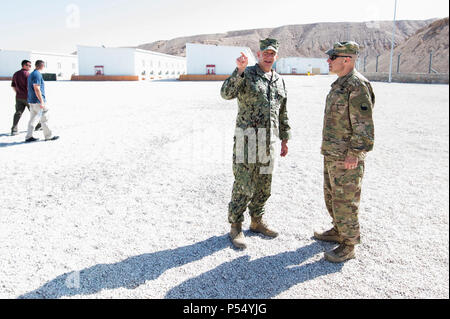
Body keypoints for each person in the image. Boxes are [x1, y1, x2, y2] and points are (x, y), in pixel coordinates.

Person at [220, 38, 291, 249]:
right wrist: (238, 71)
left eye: (272, 54)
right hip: (248, 139)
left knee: (263, 185)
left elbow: (283, 111)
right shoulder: (247, 73)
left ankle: (257, 221)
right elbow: (226, 94)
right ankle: (236, 226)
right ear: (259, 55)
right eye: (265, 53)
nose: (269, 57)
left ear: (276, 56)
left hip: (270, 141)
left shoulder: (279, 80)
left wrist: (285, 137)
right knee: (244, 184)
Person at [314, 41, 375, 263]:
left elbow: (364, 126)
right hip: (332, 153)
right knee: (331, 196)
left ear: (346, 59)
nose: (328, 61)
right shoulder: (340, 84)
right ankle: (338, 230)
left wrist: (354, 154)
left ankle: (349, 244)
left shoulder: (357, 86)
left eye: (332, 57)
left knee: (345, 200)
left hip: (346, 157)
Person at [25, 60, 59, 143]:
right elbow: (37, 88)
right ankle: (48, 136)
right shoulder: (37, 74)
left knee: (32, 119)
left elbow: (28, 88)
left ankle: (29, 136)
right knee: (45, 118)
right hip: (37, 101)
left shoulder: (31, 74)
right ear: (42, 66)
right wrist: (42, 101)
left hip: (31, 100)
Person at [10, 60, 41, 135]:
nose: (30, 67)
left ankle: (14, 129)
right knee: (34, 112)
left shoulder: (16, 74)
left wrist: (18, 92)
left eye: (30, 65)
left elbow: (13, 86)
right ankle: (38, 125)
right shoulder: (28, 74)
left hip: (18, 97)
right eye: (28, 65)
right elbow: (32, 87)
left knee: (18, 112)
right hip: (28, 97)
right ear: (24, 65)